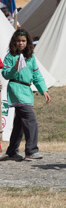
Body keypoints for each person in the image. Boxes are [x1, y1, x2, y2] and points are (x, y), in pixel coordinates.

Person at [1, 28, 50, 161]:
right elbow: (5, 74)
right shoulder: (10, 57)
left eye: (23, 41)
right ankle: (31, 150)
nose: (20, 43)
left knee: (20, 122)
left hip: (27, 90)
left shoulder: (31, 58)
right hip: (16, 88)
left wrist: (43, 90)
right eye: (17, 41)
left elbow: (36, 75)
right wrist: (14, 68)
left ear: (27, 42)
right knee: (30, 119)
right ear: (14, 42)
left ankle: (11, 151)